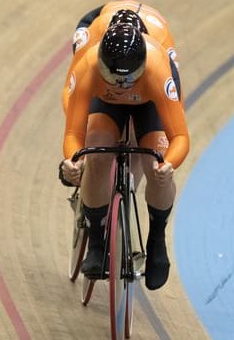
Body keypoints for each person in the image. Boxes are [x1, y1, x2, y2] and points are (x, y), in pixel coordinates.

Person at [60, 23, 189, 290]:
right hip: (105, 103)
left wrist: (169, 164)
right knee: (95, 148)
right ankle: (96, 239)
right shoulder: (88, 65)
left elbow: (180, 137)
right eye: (113, 76)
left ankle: (156, 237)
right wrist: (74, 160)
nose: (121, 85)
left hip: (150, 102)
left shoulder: (158, 70)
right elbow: (73, 131)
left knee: (156, 164)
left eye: (128, 77)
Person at [60, 1, 182, 191]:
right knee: (92, 129)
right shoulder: (93, 43)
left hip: (153, 46)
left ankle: (127, 188)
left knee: (144, 143)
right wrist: (78, 150)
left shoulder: (160, 55)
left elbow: (175, 119)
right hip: (99, 29)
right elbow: (70, 91)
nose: (122, 84)